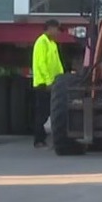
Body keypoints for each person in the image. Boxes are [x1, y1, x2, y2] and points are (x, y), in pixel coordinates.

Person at [32, 19, 65, 148]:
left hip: (53, 83)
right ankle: (38, 139)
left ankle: (44, 137)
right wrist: (48, 81)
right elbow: (41, 64)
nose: (58, 33)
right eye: (57, 29)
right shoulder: (42, 42)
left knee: (53, 111)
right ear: (50, 28)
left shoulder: (52, 44)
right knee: (42, 112)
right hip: (43, 84)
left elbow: (57, 64)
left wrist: (62, 78)